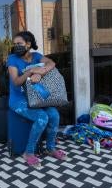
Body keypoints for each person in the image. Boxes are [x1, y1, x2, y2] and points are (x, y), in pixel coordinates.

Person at [7, 31, 67, 168]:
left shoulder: (36, 56)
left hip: (36, 98)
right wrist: (31, 71)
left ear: (28, 44)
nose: (16, 46)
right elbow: (16, 82)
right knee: (42, 118)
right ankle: (28, 152)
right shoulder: (12, 59)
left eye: (19, 44)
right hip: (19, 100)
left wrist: (42, 71)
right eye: (15, 44)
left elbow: (52, 63)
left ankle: (50, 148)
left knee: (54, 115)